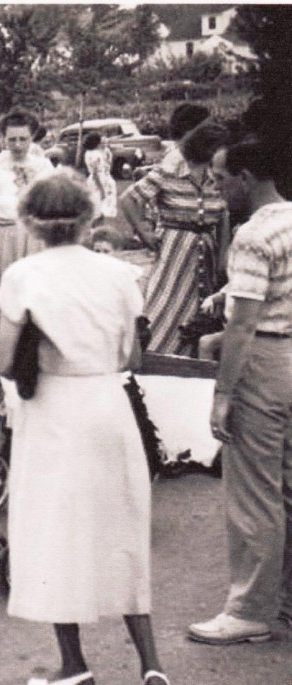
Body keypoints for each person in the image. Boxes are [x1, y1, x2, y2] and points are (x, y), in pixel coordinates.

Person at [0, 172, 169, 685]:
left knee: (55, 533)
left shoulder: (24, 275)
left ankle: (74, 664)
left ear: (30, 222)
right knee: (122, 529)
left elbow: (2, 361)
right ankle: (151, 664)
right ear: (88, 218)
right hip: (109, 405)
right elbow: (133, 354)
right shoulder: (116, 274)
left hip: (54, 410)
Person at [188, 137, 292, 645]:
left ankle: (250, 608)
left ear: (247, 178)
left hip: (264, 362)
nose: (217, 187)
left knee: (253, 492)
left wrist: (223, 395)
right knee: (289, 487)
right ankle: (286, 599)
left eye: (222, 178)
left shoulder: (251, 237)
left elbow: (245, 328)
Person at [117, 120, 230, 354]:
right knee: (164, 307)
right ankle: (156, 361)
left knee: (203, 311)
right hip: (174, 251)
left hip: (205, 251)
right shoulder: (169, 173)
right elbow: (129, 199)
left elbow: (222, 215)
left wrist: (222, 257)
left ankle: (194, 366)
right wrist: (145, 233)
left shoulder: (218, 178)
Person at [0, 109, 55, 375]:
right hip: (2, 239)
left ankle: (35, 363)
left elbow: (53, 205)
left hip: (36, 241)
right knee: (4, 302)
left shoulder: (44, 167)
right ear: (3, 139)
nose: (18, 145)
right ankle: (2, 365)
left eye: (23, 139)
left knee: (36, 300)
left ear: (32, 138)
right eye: (12, 139)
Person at [82, 132, 117, 222]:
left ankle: (99, 226)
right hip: (99, 181)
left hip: (96, 179)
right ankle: (98, 227)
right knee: (100, 208)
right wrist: (101, 189)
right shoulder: (96, 155)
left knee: (98, 208)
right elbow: (96, 173)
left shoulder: (88, 153)